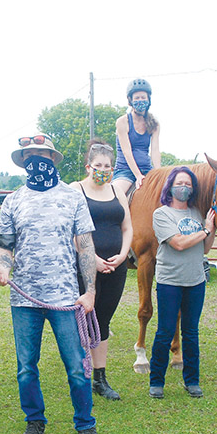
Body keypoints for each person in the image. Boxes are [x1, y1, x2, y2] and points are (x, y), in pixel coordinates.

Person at [0, 134, 102, 434]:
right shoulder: (12, 201)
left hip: (66, 299)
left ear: (53, 158)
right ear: (22, 162)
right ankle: (34, 422)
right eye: (29, 155)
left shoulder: (72, 197)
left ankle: (85, 424)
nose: (35, 159)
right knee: (26, 368)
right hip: (24, 300)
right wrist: (3, 268)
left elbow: (85, 246)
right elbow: (5, 247)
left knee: (78, 367)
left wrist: (90, 290)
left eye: (41, 154)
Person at [69, 140, 133, 401]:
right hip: (84, 267)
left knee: (103, 320)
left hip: (115, 268)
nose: (103, 170)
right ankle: (80, 374)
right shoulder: (76, 189)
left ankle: (100, 377)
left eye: (108, 166)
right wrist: (90, 258)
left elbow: (127, 226)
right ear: (88, 166)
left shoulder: (117, 190)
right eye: (98, 165)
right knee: (81, 321)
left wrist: (122, 256)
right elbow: (71, 228)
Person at [149, 167, 216, 399]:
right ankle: (156, 381)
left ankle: (192, 380)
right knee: (165, 331)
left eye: (188, 184)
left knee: (191, 332)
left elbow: (204, 248)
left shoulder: (198, 213)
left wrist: (211, 229)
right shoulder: (162, 214)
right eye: (180, 183)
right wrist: (206, 230)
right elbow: (177, 243)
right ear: (170, 186)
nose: (184, 187)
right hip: (170, 281)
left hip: (195, 281)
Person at [112, 78, 161, 196]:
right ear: (130, 101)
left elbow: (155, 151)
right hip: (125, 170)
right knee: (114, 197)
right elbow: (127, 152)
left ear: (148, 99)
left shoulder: (154, 124)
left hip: (147, 168)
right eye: (137, 98)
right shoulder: (123, 122)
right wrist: (138, 175)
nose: (140, 100)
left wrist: (159, 173)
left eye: (143, 97)